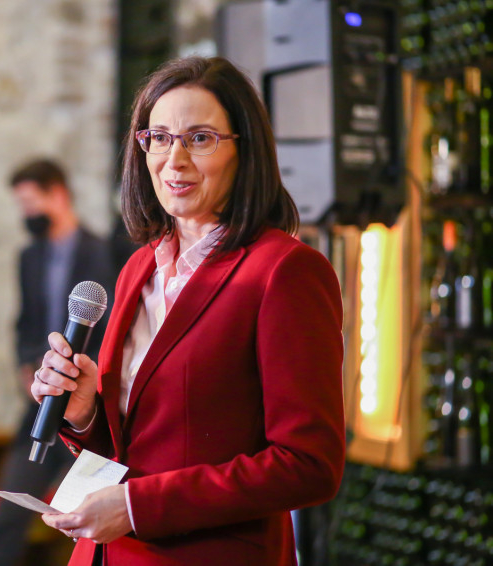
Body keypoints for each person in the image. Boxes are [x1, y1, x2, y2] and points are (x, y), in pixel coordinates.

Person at [31, 56, 345, 566]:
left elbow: (309, 465)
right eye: (158, 138)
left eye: (200, 138)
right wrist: (85, 412)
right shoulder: (138, 268)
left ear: (245, 150)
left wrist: (138, 507)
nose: (173, 160)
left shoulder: (284, 272)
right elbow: (136, 447)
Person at [0, 159, 115, 566]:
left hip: (91, 409)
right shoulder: (29, 257)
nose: (26, 213)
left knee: (89, 522)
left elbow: (112, 330)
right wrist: (26, 366)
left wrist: (82, 380)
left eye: (30, 202)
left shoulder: (103, 252)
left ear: (58, 194)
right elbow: (25, 324)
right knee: (8, 516)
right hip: (41, 403)